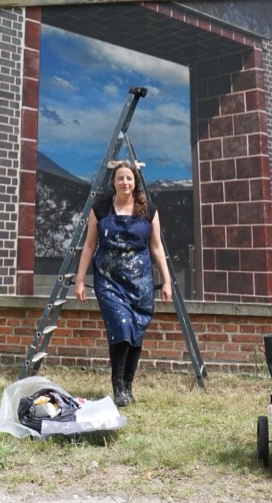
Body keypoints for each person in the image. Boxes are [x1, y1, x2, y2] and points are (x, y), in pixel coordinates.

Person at [73, 161, 172, 407]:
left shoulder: (148, 210)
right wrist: (80, 280)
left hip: (140, 283)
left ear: (135, 182)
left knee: (135, 331)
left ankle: (128, 385)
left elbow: (156, 247)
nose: (125, 182)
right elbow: (89, 246)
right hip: (109, 280)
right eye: (120, 178)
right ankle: (118, 386)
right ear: (113, 182)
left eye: (129, 178)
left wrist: (167, 281)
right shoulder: (100, 209)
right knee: (121, 325)